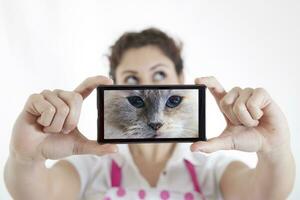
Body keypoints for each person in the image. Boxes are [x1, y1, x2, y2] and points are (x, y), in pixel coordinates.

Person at [4, 28, 295, 200]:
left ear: (181, 80)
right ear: (114, 89)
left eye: (160, 75)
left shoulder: (211, 168)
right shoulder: (93, 166)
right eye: (131, 81)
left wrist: (276, 150)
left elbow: (265, 194)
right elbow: (38, 194)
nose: (148, 89)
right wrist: (25, 160)